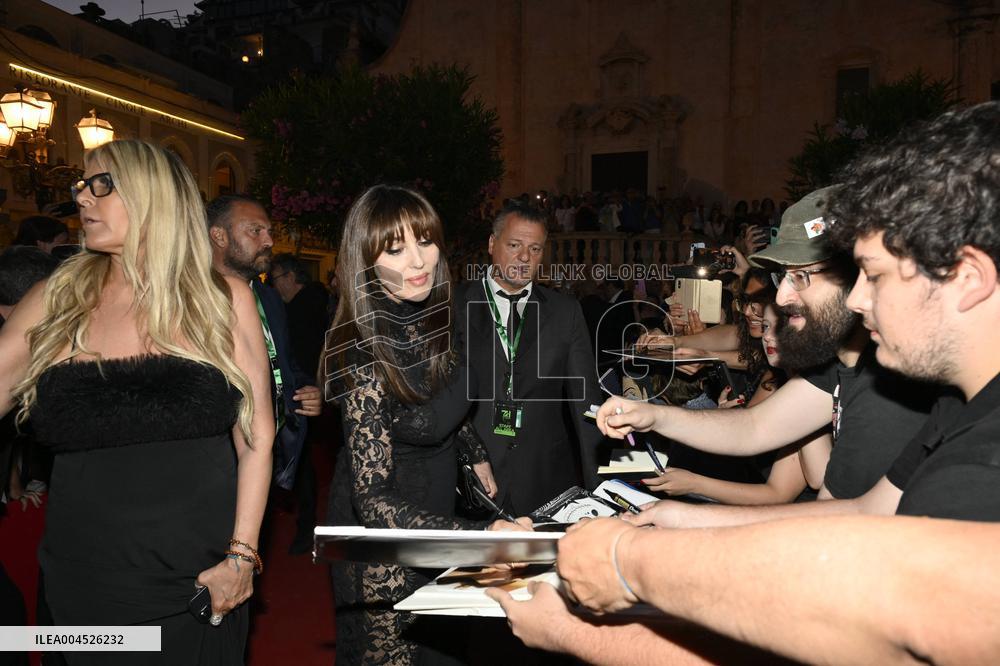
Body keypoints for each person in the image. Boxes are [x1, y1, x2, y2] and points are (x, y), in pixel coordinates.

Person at [492, 102, 1000, 666]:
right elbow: (854, 511)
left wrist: (622, 574)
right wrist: (678, 516)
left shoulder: (972, 451)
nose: (860, 299)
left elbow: (860, 620)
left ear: (970, 278)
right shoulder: (958, 407)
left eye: (874, 276)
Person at [0, 139, 275, 664]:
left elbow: (258, 439)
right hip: (79, 584)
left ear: (154, 195)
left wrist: (242, 557)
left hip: (197, 584)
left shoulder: (222, 300)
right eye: (81, 186)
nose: (82, 197)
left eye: (101, 184)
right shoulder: (55, 300)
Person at [323, 184, 524, 665]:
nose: (418, 261)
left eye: (426, 241)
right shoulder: (360, 351)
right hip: (386, 536)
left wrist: (473, 451)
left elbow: (439, 401)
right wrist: (478, 538)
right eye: (395, 250)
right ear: (364, 261)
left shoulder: (435, 314)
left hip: (439, 513)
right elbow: (372, 500)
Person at [632, 187, 934, 500]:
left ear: (857, 277)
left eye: (801, 276)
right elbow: (755, 427)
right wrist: (654, 417)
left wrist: (679, 516)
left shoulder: (888, 389)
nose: (780, 297)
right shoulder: (834, 365)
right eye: (783, 277)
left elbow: (833, 516)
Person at [455, 200, 604, 516]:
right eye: (514, 245)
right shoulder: (453, 306)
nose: (524, 257)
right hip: (468, 478)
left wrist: (598, 491)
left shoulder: (565, 312)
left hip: (545, 480)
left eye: (535, 249)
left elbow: (586, 401)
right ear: (492, 244)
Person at [206, 195, 322, 493]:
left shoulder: (269, 297)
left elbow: (284, 362)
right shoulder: (194, 300)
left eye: (269, 231)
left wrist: (305, 389)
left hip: (272, 450)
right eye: (255, 231)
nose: (269, 241)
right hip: (214, 459)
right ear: (219, 236)